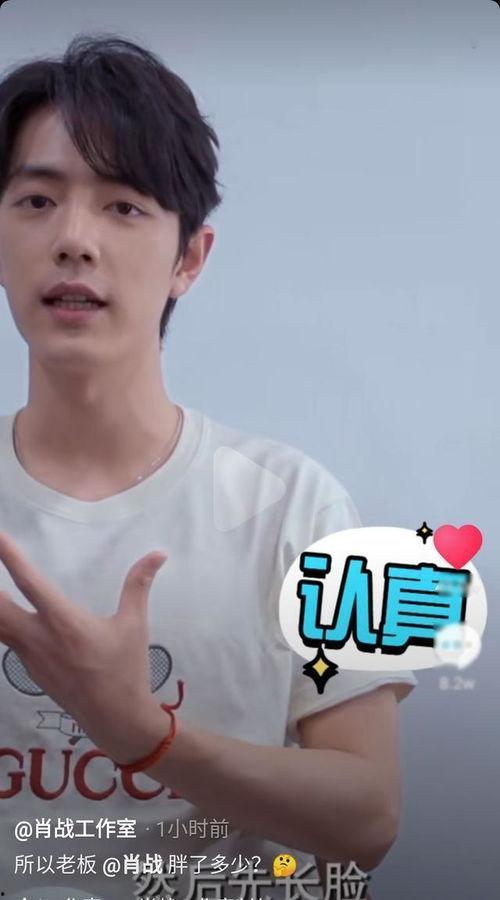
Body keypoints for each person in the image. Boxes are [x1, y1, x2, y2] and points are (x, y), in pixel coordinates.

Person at [0, 33, 417, 900]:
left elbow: (370, 819)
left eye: (123, 206)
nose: (73, 239)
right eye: (37, 200)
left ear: (189, 258)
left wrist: (143, 734)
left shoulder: (304, 504)